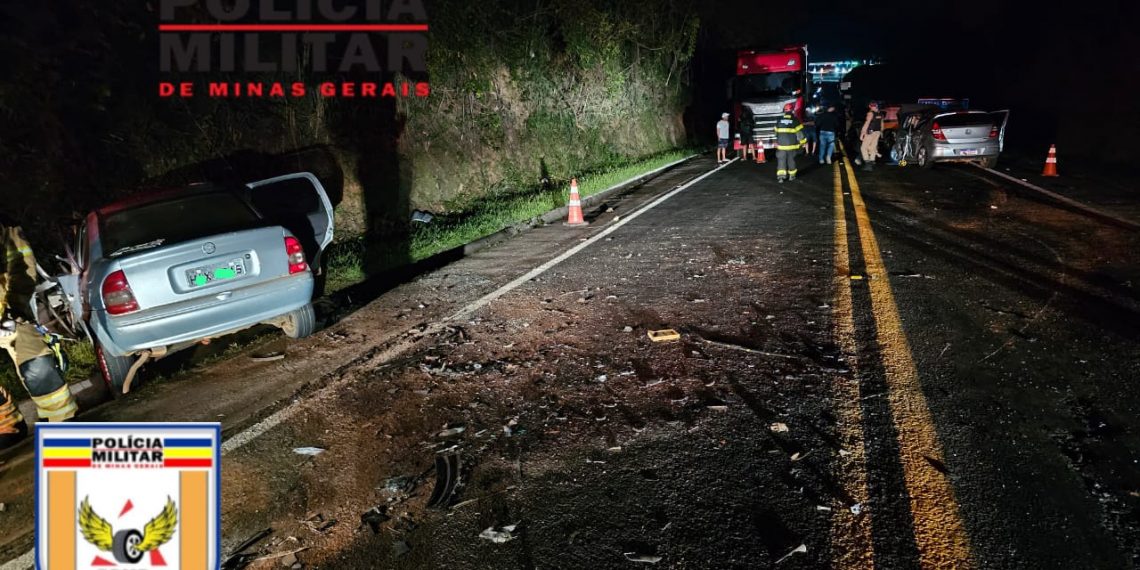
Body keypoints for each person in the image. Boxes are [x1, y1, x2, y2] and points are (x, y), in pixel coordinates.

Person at [0, 216, 78, 449]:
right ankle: (7, 425)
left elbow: (23, 266)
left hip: (8, 314)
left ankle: (60, 420)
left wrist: (13, 310)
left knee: (36, 363)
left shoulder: (7, 231)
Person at [774, 102, 807, 183]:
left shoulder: (779, 121)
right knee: (791, 161)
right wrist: (803, 142)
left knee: (781, 161)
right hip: (792, 146)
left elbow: (775, 133)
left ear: (784, 111)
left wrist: (776, 142)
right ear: (792, 111)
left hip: (781, 146)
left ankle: (781, 177)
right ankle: (792, 176)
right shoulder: (795, 121)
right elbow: (800, 134)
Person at [859, 101, 884, 171]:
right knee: (873, 146)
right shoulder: (881, 114)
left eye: (871, 106)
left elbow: (867, 123)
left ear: (872, 106)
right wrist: (881, 132)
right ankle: (872, 162)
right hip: (877, 132)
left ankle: (867, 164)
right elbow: (882, 124)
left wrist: (862, 133)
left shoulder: (870, 113)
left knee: (863, 148)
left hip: (870, 132)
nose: (870, 107)